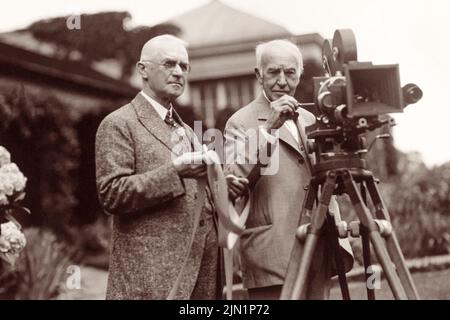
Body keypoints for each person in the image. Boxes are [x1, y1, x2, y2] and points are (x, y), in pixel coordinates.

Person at [95, 34, 246, 300]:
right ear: (143, 69)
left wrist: (219, 187)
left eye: (184, 66)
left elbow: (193, 191)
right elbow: (112, 194)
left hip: (204, 276)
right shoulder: (118, 123)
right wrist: (175, 171)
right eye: (169, 64)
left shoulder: (187, 129)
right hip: (152, 280)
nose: (178, 73)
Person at [224, 39, 352, 299]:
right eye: (273, 72)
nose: (282, 81)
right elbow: (233, 180)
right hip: (271, 253)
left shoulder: (311, 118)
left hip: (318, 245)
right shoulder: (239, 121)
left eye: (290, 72)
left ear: (299, 74)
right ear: (259, 75)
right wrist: (269, 127)